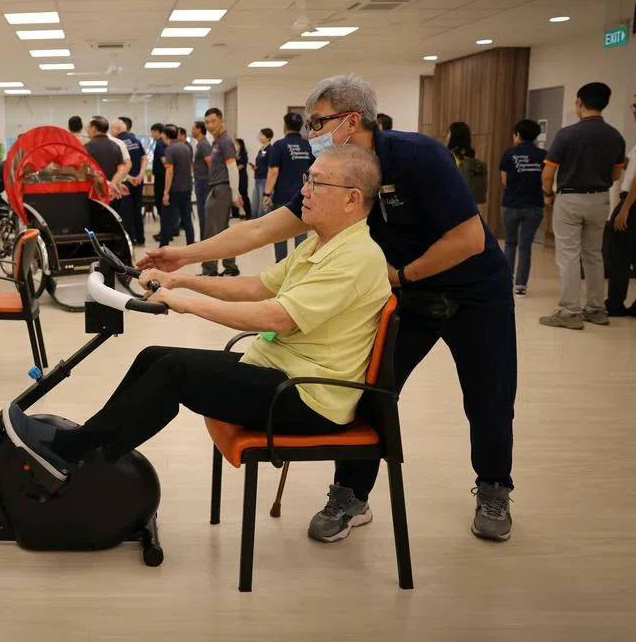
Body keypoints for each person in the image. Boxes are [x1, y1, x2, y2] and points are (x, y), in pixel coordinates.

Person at [140, 74, 518, 543]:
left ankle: (494, 488)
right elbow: (258, 230)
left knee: (488, 396)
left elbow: (469, 239)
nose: (310, 133)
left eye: (317, 122)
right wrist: (183, 255)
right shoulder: (333, 176)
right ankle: (351, 496)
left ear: (352, 121)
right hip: (406, 297)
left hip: (474, 292)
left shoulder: (419, 156)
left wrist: (401, 275)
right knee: (370, 393)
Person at [3, 145, 390, 489]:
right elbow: (257, 286)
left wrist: (183, 303)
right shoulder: (318, 245)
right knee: (154, 357)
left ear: (351, 199)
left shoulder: (355, 259)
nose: (304, 190)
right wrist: (181, 280)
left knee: (176, 373)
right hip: (278, 371)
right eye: (307, 180)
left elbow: (276, 317)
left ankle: (71, 452)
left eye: (317, 183)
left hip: (307, 397)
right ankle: (92, 455)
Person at [540, 82, 627, 330]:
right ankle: (596, 309)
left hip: (570, 198)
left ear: (580, 102)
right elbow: (615, 175)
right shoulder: (615, 136)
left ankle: (570, 312)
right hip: (600, 198)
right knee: (594, 254)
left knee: (568, 255)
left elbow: (548, 173)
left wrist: (548, 194)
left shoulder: (567, 135)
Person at [606, 89, 636, 318]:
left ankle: (615, 304)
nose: (635, 110)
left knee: (619, 255)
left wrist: (625, 209)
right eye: (634, 105)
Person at [499, 120, 546, 297]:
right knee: (526, 246)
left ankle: (506, 281)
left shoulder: (508, 154)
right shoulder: (543, 154)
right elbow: (546, 178)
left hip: (511, 204)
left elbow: (504, 181)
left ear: (518, 134)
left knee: (510, 243)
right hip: (534, 204)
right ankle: (521, 286)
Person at [264, 112, 313, 262]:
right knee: (301, 233)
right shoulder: (309, 145)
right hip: (303, 196)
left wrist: (267, 193)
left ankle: (281, 265)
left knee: (279, 233)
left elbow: (273, 171)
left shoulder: (278, 145)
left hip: (282, 196)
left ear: (285, 126)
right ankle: (299, 264)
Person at [200, 108, 241, 277]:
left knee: (212, 231)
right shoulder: (217, 142)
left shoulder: (225, 141)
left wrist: (235, 194)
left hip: (222, 188)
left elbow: (232, 168)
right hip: (217, 188)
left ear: (221, 121)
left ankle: (210, 270)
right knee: (222, 230)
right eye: (207, 122)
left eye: (213, 121)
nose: (210, 125)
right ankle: (230, 266)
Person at [158, 123, 194, 248]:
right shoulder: (185, 147)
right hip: (187, 188)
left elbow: (169, 171)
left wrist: (166, 192)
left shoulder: (170, 149)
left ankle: (163, 247)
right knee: (187, 219)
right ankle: (191, 246)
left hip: (174, 190)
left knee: (166, 219)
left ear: (165, 135)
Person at [113, 117, 146, 246]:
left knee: (126, 212)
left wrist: (129, 177)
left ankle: (130, 240)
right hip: (138, 182)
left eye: (112, 129)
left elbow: (120, 166)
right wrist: (140, 175)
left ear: (117, 129)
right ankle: (141, 239)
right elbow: (144, 158)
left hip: (125, 182)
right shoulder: (136, 140)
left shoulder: (117, 143)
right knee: (137, 210)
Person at [84, 115, 128, 207]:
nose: (86, 130)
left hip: (94, 195)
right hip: (114, 194)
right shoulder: (115, 146)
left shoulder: (87, 147)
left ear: (94, 128)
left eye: (88, 127)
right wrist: (113, 183)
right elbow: (122, 168)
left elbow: (84, 171)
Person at [447, 122, 488, 210]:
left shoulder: (449, 155)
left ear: (454, 136)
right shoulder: (471, 154)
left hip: (454, 201)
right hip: (471, 203)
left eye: (449, 132)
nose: (447, 136)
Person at [190, 120, 210, 238]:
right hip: (200, 180)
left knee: (203, 212)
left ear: (199, 130)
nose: (192, 131)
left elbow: (210, 163)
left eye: (193, 129)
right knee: (201, 212)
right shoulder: (200, 144)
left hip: (204, 182)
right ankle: (203, 238)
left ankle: (205, 239)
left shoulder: (204, 144)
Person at [252, 128, 273, 220]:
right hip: (258, 178)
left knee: (263, 206)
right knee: (255, 204)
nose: (259, 137)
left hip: (265, 180)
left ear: (268, 137)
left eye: (261, 135)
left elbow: (271, 167)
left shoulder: (271, 150)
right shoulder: (261, 150)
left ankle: (264, 225)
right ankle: (255, 224)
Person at [234, 137, 252, 221]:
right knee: (234, 195)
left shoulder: (244, 154)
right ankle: (235, 214)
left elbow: (240, 166)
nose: (234, 145)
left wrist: (232, 170)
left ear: (240, 145)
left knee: (244, 195)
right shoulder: (232, 154)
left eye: (236, 144)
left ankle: (248, 214)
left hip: (242, 178)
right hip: (235, 178)